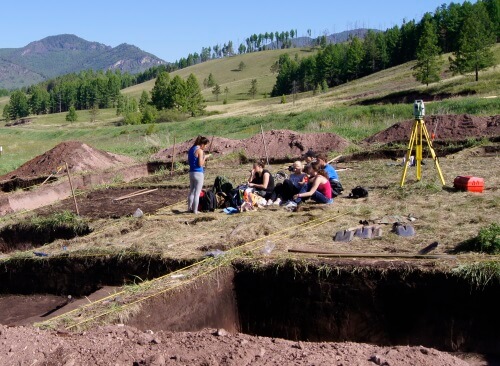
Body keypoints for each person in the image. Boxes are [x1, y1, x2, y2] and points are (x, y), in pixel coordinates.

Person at [187, 136, 211, 214]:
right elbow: (200, 164)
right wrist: (205, 157)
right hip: (198, 173)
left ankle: (189, 208)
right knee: (197, 193)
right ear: (202, 144)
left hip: (191, 172)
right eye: (206, 145)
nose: (206, 147)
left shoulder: (191, 149)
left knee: (191, 191)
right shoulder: (200, 151)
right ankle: (195, 210)